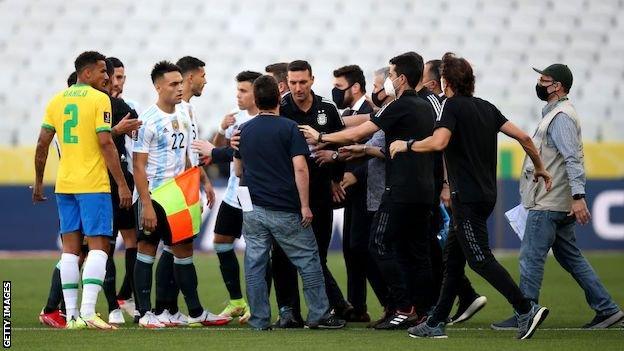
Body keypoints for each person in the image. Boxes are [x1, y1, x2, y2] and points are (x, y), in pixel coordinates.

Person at [392, 53, 552, 340]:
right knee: (453, 261)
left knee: (479, 259)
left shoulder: (449, 107)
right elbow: (525, 138)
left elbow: (439, 142)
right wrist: (540, 168)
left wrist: (408, 144)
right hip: (487, 195)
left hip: (465, 197)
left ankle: (525, 309)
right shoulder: (487, 107)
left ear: (445, 82)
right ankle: (435, 322)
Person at [299, 52, 437, 329]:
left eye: (391, 73)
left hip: (398, 190)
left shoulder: (398, 105)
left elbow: (359, 131)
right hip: (424, 188)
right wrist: (364, 150)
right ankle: (424, 312)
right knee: (416, 252)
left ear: (401, 78)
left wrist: (321, 136)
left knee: (378, 243)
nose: (387, 80)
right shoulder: (425, 106)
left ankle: (403, 306)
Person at [491, 64, 624, 330]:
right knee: (570, 257)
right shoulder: (555, 114)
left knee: (530, 257)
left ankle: (525, 313)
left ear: (558, 86)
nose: (539, 83)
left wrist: (578, 196)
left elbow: (572, 159)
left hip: (550, 200)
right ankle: (608, 309)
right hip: (555, 199)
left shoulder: (560, 116)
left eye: (545, 80)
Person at [232, 74, 345, 330]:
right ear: (278, 100)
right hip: (283, 207)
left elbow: (238, 170)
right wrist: (305, 205)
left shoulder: (244, 131)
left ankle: (259, 319)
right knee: (308, 259)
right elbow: (301, 169)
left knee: (255, 264)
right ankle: (319, 314)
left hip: (253, 208)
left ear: (257, 100)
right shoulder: (289, 128)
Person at [33, 51, 133, 330]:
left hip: (64, 185)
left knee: (70, 250)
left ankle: (72, 316)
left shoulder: (56, 100)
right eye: (102, 71)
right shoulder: (100, 99)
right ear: (86, 73)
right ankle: (89, 312)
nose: (107, 77)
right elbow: (105, 143)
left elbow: (42, 144)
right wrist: (123, 185)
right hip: (93, 185)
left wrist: (39, 182)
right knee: (100, 247)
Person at [132, 61, 227, 328]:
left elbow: (187, 158)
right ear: (158, 86)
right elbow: (138, 167)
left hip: (178, 195)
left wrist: (195, 187)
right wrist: (147, 205)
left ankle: (195, 312)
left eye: (179, 83)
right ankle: (144, 313)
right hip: (155, 194)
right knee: (147, 250)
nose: (178, 88)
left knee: (184, 251)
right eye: (173, 84)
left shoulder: (184, 115)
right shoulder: (147, 120)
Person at [273, 60, 349, 327]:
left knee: (318, 254)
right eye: (292, 82)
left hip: (319, 192)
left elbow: (344, 144)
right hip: (286, 194)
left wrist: (336, 177)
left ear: (312, 80)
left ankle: (323, 311)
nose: (297, 88)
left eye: (302, 82)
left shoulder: (327, 109)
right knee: (282, 255)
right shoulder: (280, 107)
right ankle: (289, 312)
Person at [195, 70, 262, 323]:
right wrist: (222, 130)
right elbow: (213, 154)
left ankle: (258, 305)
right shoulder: (235, 119)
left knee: (258, 248)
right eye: (238, 90)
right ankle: (236, 301)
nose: (238, 95)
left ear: (257, 93)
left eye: (243, 91)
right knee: (221, 241)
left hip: (254, 195)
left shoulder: (266, 120)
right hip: (234, 194)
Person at [330, 64, 375, 322]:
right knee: (351, 249)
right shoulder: (347, 113)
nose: (335, 92)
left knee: (363, 248)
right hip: (352, 192)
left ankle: (394, 303)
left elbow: (378, 150)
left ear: (355, 87)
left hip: (368, 189)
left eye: (339, 87)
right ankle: (357, 307)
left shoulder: (370, 114)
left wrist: (356, 174)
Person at [107, 57, 141, 320]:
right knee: (94, 246)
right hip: (96, 183)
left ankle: (127, 298)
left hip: (124, 180)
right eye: (114, 78)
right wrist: (117, 130)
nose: (118, 83)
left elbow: (138, 136)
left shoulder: (124, 107)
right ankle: (110, 306)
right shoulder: (97, 106)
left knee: (133, 241)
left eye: (122, 78)